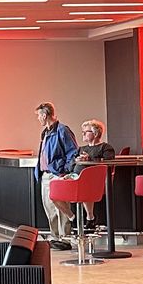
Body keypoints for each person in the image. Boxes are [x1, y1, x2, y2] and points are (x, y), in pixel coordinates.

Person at [35, 101, 79, 250]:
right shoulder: (45, 132)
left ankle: (64, 238)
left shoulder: (62, 130)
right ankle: (55, 237)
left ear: (45, 115)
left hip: (57, 174)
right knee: (49, 208)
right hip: (46, 175)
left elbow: (73, 152)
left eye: (39, 116)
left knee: (61, 206)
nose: (38, 119)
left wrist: (64, 171)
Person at [74, 119, 116, 225]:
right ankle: (72, 218)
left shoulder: (105, 147)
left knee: (85, 185)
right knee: (56, 184)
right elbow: (71, 163)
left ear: (96, 133)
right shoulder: (81, 149)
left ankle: (89, 217)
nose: (83, 134)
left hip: (94, 180)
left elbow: (108, 162)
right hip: (75, 177)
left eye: (86, 131)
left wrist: (89, 159)